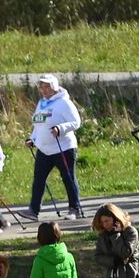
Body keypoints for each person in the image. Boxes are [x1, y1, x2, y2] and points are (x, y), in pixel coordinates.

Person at [25, 75, 82, 219]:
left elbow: (76, 122)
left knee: (68, 178)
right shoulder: (42, 103)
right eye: (42, 87)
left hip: (63, 147)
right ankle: (33, 211)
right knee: (39, 179)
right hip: (44, 149)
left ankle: (74, 209)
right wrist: (32, 139)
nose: (44, 90)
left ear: (54, 87)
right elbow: (38, 125)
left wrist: (60, 128)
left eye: (47, 87)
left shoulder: (64, 102)